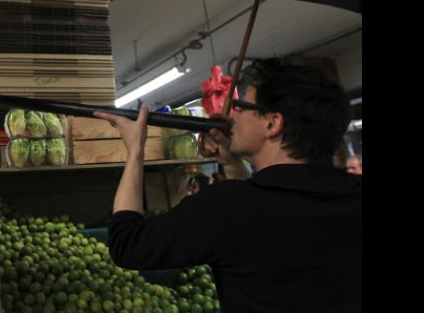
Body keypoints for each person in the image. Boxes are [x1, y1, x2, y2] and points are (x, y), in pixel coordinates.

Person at [94, 57, 361, 313]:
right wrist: (232, 163)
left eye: (243, 105)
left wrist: (135, 151)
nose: (233, 115)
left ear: (272, 123)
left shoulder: (224, 206)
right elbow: (264, 216)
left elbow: (127, 245)